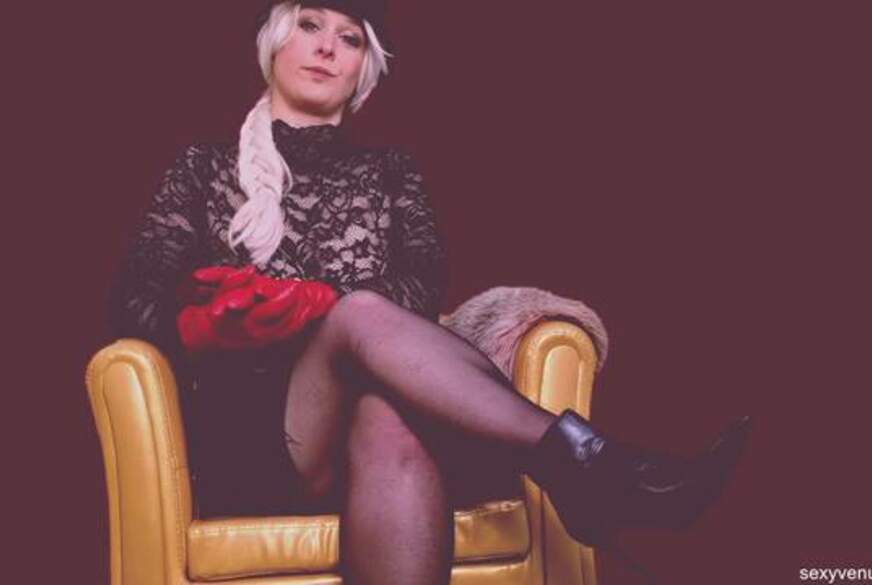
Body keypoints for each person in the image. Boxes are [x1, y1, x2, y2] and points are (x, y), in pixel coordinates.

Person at [106, 1, 753, 583]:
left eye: (350, 38)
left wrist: (313, 304)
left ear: (365, 70)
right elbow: (133, 301)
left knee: (389, 419)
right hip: (250, 433)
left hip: (363, 424)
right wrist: (216, 320)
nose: (327, 46)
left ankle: (589, 470)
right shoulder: (201, 167)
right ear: (273, 41)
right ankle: (596, 471)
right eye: (309, 25)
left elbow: (418, 289)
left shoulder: (391, 171)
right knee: (360, 314)